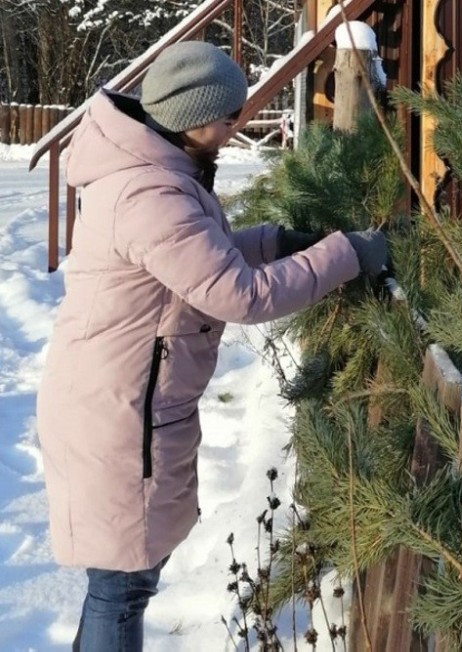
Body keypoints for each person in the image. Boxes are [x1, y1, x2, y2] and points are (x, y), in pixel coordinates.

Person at [35, 41, 387, 651]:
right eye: (228, 117)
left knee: (121, 582)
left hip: (118, 398)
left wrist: (276, 242)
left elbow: (198, 260)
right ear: (191, 116)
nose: (235, 128)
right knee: (121, 587)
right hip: (120, 412)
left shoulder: (153, 171)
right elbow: (239, 295)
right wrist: (346, 255)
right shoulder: (150, 195)